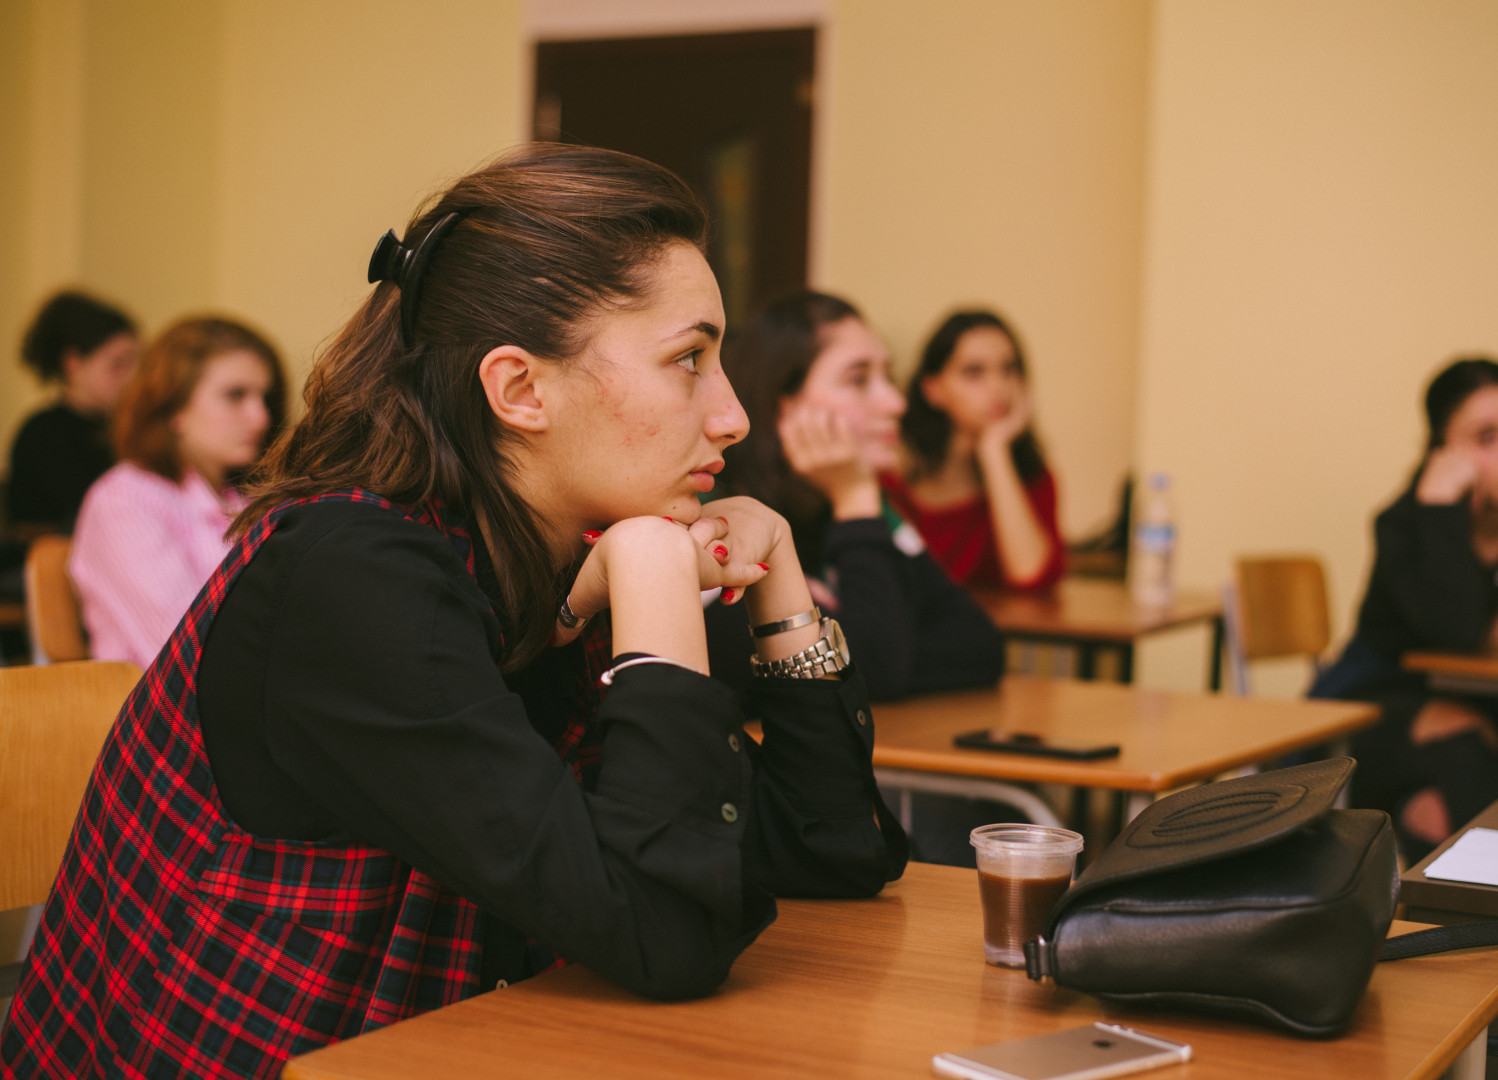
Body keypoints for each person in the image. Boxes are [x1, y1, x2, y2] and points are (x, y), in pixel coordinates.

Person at [1, 145, 905, 1080]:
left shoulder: (538, 559)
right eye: (689, 361)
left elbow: (831, 850)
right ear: (519, 389)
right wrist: (649, 574)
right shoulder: (351, 578)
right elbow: (668, 935)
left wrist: (783, 582)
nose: (732, 417)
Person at [1312, 357, 1498, 851]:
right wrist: (1440, 508)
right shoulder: (1406, 523)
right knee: (1468, 749)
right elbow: (1456, 630)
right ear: (1443, 453)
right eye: (1487, 438)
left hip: (1485, 712)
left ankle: (1483, 890)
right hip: (1375, 707)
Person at [714, 290, 1004, 702]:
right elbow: (879, 669)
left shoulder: (859, 509)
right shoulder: (731, 529)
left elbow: (979, 644)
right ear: (783, 404)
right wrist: (855, 497)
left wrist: (870, 656)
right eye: (859, 379)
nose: (895, 402)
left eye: (888, 375)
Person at [67, 316, 286, 668]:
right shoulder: (125, 500)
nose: (260, 417)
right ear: (174, 407)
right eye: (236, 395)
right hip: (165, 715)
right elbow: (188, 653)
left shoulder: (245, 501)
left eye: (264, 396)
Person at [884, 310, 1063, 591]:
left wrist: (994, 450)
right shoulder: (892, 477)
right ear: (933, 389)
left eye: (1009, 369)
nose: (998, 387)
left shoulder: (1033, 478)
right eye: (974, 372)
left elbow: (1030, 574)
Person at [5, 290, 138, 534]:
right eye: (117, 364)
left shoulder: (126, 427)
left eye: (135, 363)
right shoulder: (43, 434)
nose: (131, 378)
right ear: (74, 364)